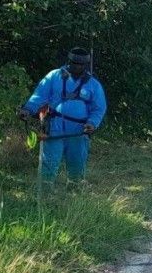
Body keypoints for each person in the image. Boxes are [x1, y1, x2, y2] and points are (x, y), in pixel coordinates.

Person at [18, 47, 107, 183]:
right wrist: (28, 109)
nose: (77, 66)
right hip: (55, 127)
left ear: (85, 65)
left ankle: (75, 193)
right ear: (68, 61)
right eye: (74, 63)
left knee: (77, 163)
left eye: (80, 64)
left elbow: (99, 108)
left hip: (79, 130)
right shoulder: (54, 76)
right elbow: (39, 95)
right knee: (49, 161)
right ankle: (45, 192)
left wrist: (92, 123)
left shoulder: (93, 85)